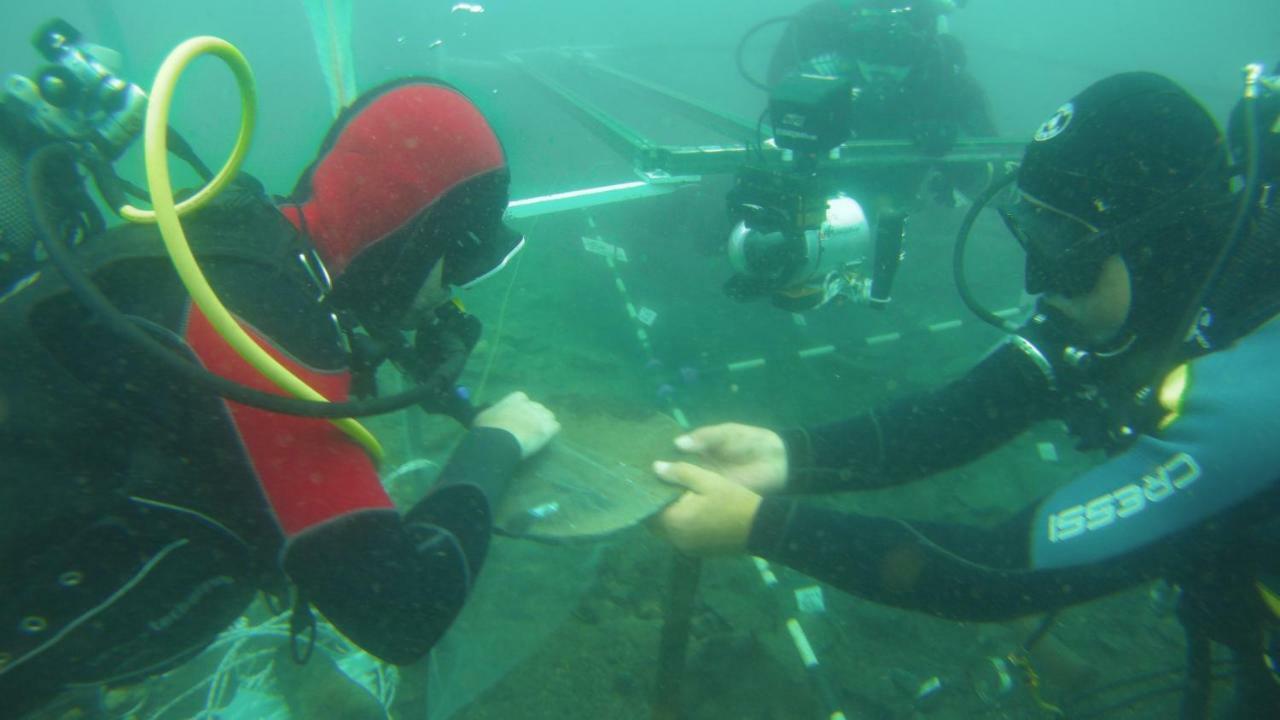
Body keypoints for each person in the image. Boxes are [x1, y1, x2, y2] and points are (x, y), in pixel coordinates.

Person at [654, 70, 1280, 717]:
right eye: (1033, 235)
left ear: (1160, 245)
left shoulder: (1261, 399)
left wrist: (764, 527)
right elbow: (958, 417)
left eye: (1068, 250)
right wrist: (788, 453)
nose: (1043, 280)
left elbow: (1005, 568)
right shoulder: (1137, 303)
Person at [0, 76, 559, 718]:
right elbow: (401, 611)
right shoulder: (263, 328)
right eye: (455, 260)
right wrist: (498, 440)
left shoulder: (232, 234)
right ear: (412, 236)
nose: (451, 293)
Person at [731, 0, 998, 312]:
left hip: (895, 192)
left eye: (899, 52)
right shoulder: (818, 53)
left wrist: (954, 145)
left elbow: (991, 164)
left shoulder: (942, 75)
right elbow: (783, 110)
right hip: (826, 182)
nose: (883, 67)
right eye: (871, 47)